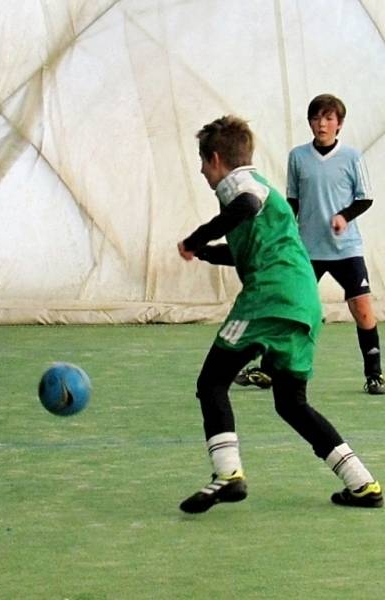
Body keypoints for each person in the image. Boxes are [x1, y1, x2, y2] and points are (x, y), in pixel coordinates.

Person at [177, 115, 381, 513]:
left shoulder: (240, 183)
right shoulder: (264, 197)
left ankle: (228, 474)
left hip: (270, 297)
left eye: (202, 162)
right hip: (303, 301)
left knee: (212, 382)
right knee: (291, 402)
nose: (201, 171)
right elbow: (246, 248)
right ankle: (363, 483)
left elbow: (245, 204)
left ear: (216, 158)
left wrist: (197, 236)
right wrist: (203, 252)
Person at [236, 94, 383, 395]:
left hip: (346, 249)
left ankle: (375, 375)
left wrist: (343, 216)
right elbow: (292, 201)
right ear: (310, 122)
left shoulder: (352, 157)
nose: (322, 124)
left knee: (363, 309)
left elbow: (365, 197)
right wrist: (281, 232)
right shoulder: (298, 157)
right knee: (288, 304)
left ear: (339, 124)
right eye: (317, 118)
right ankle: (267, 371)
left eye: (329, 118)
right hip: (306, 249)